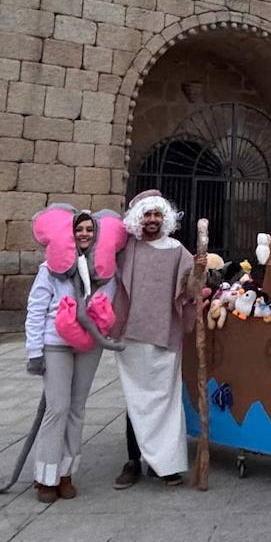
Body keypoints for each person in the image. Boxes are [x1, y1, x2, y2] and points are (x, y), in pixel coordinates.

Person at [113, 189, 206, 489]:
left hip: (165, 335)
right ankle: (133, 461)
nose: (152, 220)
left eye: (157, 215)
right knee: (136, 399)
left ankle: (165, 465)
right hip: (132, 335)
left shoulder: (177, 250)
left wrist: (199, 273)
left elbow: (191, 291)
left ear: (164, 219)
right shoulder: (127, 249)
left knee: (165, 401)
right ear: (137, 219)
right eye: (147, 215)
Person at [24, 210, 116, 503]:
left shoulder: (105, 272)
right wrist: (34, 352)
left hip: (89, 344)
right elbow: (36, 309)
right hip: (56, 343)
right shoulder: (49, 269)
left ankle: (66, 473)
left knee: (77, 408)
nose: (85, 234)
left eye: (90, 229)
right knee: (58, 408)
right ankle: (45, 476)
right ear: (70, 234)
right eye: (80, 229)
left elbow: (112, 304)